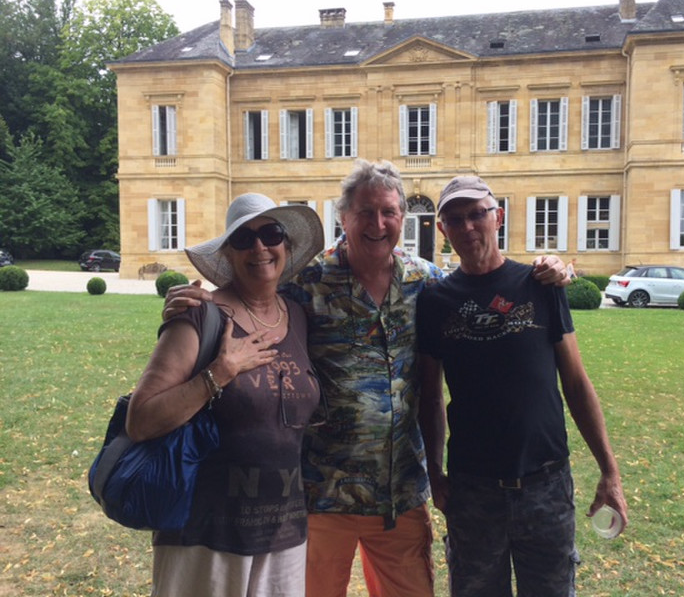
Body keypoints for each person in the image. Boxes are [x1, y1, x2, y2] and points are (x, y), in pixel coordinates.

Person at [162, 160, 571, 597]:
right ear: (344, 217)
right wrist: (201, 298)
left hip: (401, 492)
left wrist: (551, 270)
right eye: (365, 212)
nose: (378, 223)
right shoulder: (307, 282)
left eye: (390, 212)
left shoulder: (427, 283)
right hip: (322, 493)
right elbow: (252, 289)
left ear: (402, 217)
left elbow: (479, 298)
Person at [416, 176, 628, 597]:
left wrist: (610, 471)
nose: (469, 227)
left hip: (545, 485)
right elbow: (430, 395)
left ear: (498, 217)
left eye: (478, 214)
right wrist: (434, 472)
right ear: (442, 230)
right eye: (456, 219)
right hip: (472, 490)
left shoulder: (540, 285)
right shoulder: (435, 301)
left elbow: (577, 383)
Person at [126, 193, 324, 597]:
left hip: (283, 532)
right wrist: (218, 373)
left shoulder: (299, 316)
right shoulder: (200, 315)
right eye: (243, 239)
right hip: (206, 533)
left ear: (286, 245)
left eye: (271, 233)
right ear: (228, 254)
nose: (259, 248)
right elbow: (141, 420)